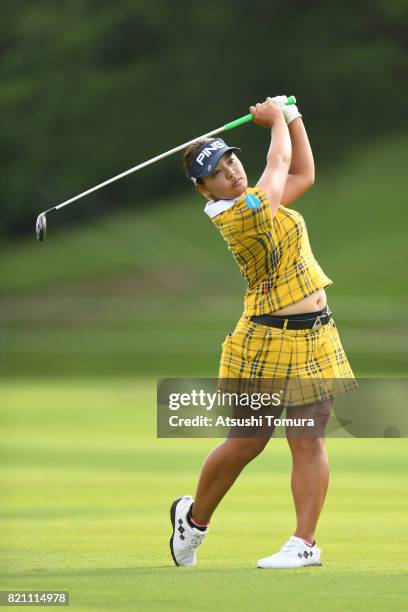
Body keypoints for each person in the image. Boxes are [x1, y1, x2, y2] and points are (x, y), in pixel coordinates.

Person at [169, 96, 356, 569]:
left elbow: (303, 174)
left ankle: (304, 543)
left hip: (316, 335)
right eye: (217, 171)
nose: (231, 170)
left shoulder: (259, 199)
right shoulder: (239, 214)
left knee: (308, 438)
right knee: (247, 441)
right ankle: (193, 521)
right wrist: (275, 122)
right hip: (265, 342)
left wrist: (294, 117)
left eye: (231, 158)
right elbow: (279, 165)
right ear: (204, 189)